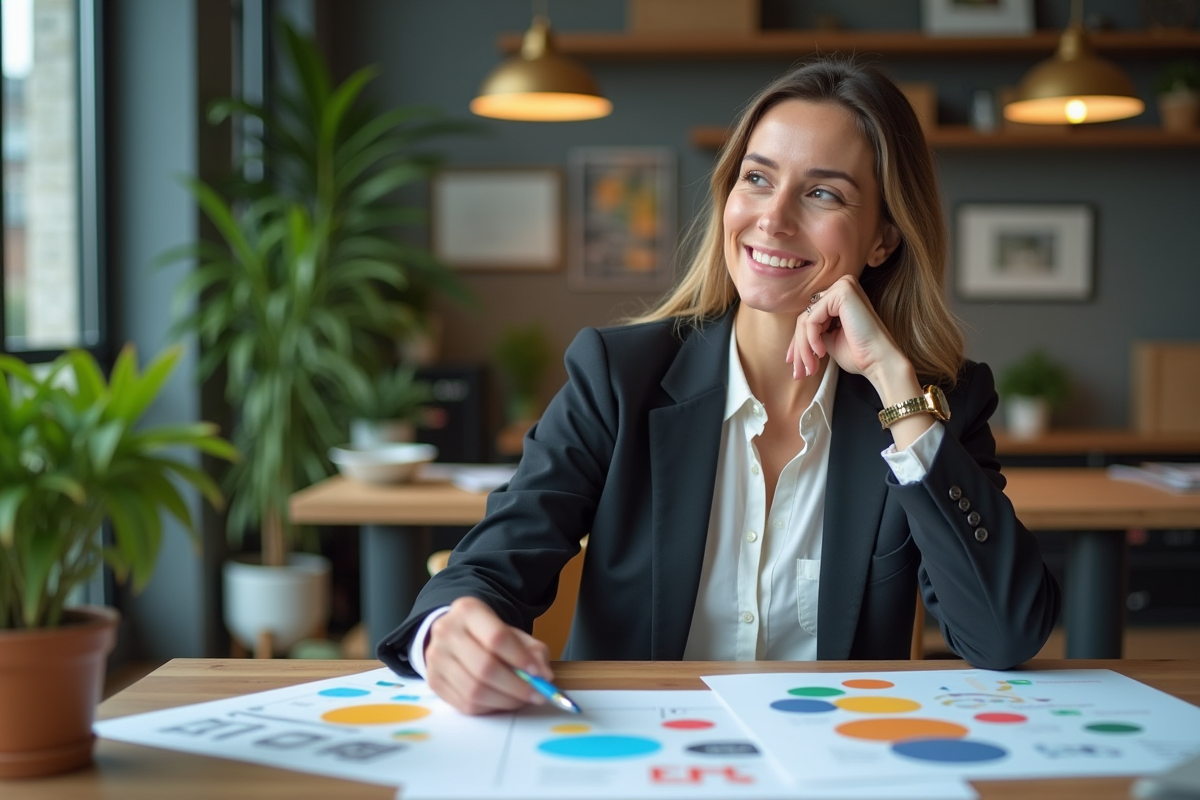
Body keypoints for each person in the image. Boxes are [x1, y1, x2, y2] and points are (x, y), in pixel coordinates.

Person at [377, 57, 1061, 715]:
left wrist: (894, 385)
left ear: (883, 238)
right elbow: (493, 562)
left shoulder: (935, 402)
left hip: (831, 766)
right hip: (637, 762)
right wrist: (449, 633)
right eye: (757, 179)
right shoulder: (619, 378)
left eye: (823, 192)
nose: (774, 218)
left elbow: (1003, 634)